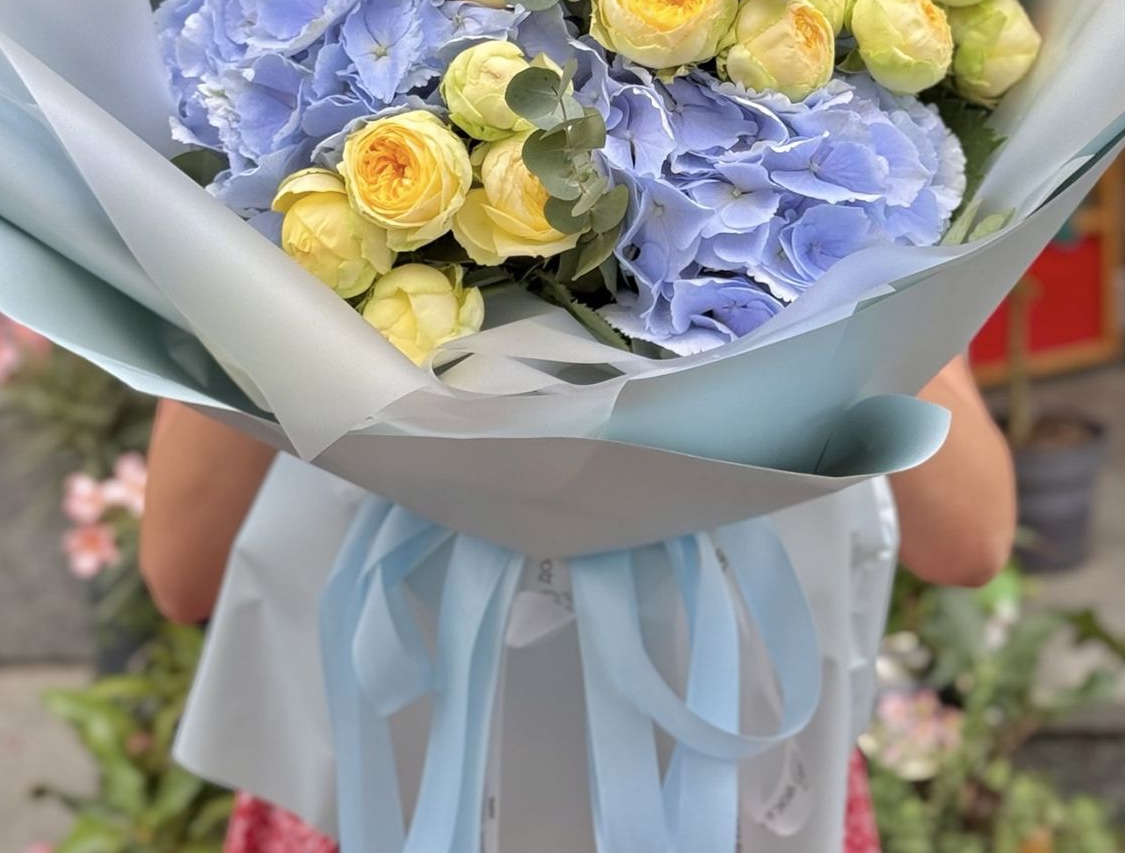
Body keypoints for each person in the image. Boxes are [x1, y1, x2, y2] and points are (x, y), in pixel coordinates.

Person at [143, 353, 1015, 853]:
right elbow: (181, 569)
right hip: (386, 773)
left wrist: (850, 265)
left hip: (722, 772)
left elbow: (968, 538)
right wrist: (271, 272)